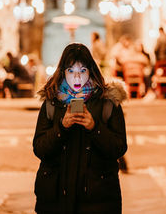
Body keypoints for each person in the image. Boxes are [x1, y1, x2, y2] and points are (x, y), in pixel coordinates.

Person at [33, 43, 128, 214]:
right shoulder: (52, 101)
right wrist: (62, 127)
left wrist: (94, 127)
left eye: (82, 70)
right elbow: (39, 148)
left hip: (97, 202)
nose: (77, 77)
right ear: (63, 71)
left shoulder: (108, 102)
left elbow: (119, 147)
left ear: (91, 71)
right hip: (56, 200)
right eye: (71, 71)